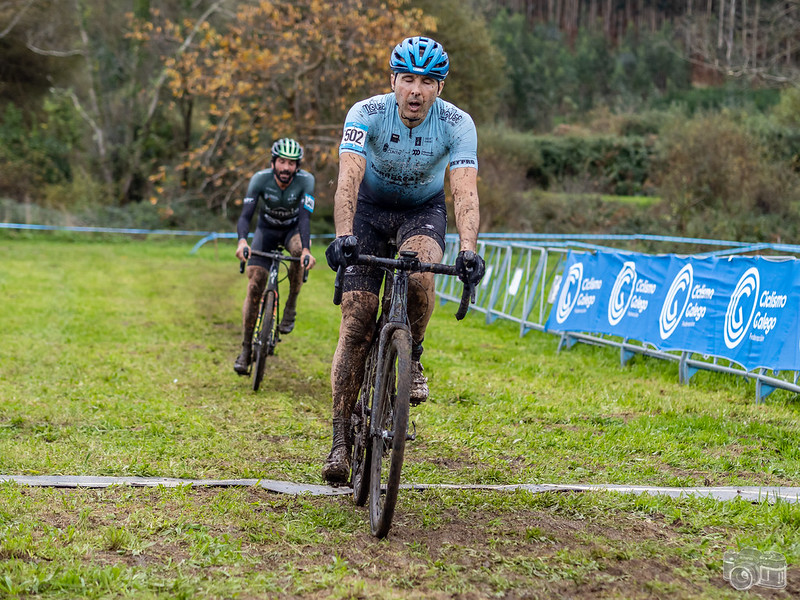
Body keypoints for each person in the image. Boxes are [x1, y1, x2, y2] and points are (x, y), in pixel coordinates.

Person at [321, 36, 485, 483]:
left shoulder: (458, 124)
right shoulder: (365, 113)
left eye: (427, 82)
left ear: (440, 88)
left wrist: (468, 249)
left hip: (421, 211)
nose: (416, 91)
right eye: (407, 79)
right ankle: (339, 438)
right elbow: (348, 178)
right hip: (369, 212)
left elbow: (464, 191)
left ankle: (413, 354)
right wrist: (343, 236)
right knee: (356, 321)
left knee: (419, 274)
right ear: (392, 81)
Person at [233, 137, 317, 375]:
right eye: (282, 162)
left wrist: (307, 251)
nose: (286, 168)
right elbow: (245, 215)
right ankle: (245, 349)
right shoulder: (260, 179)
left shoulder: (306, 181)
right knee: (255, 284)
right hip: (266, 231)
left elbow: (304, 218)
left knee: (300, 252)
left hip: (292, 231)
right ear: (273, 163)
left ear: (297, 167)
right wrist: (242, 242)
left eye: (291, 164)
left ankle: (291, 305)